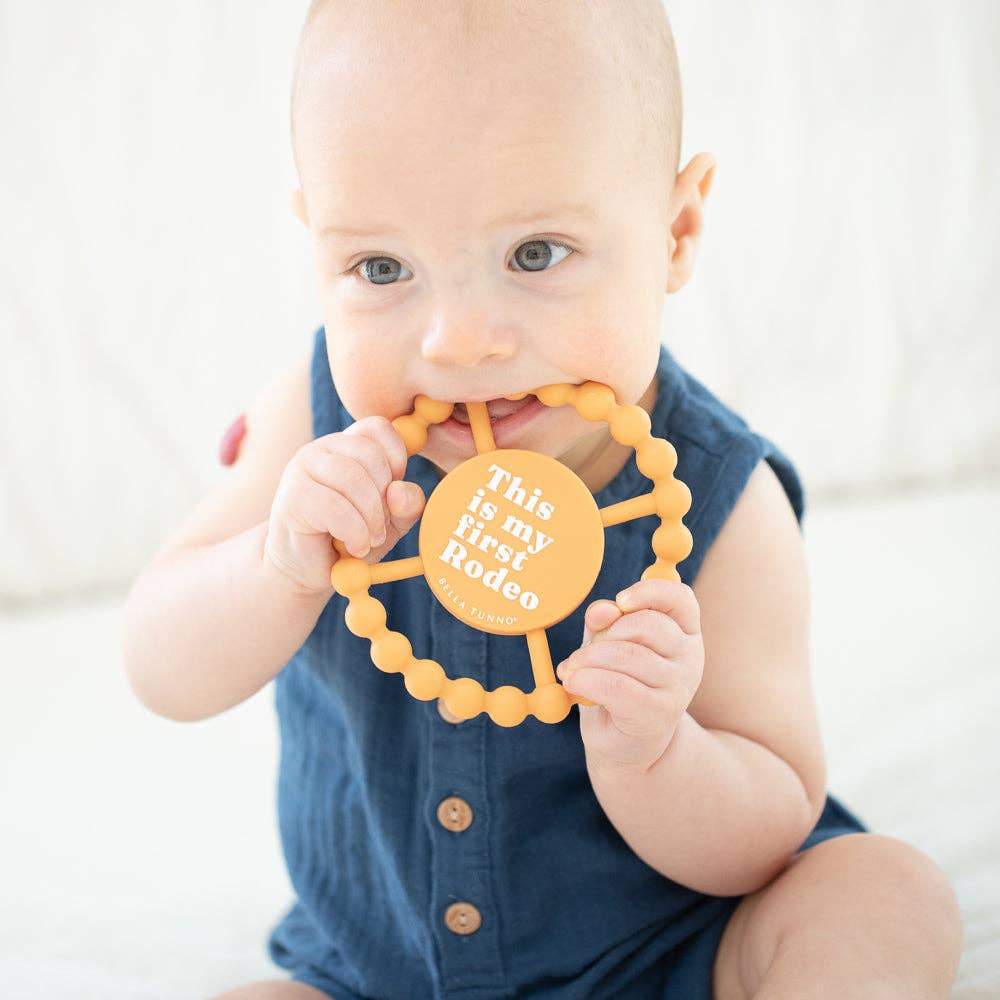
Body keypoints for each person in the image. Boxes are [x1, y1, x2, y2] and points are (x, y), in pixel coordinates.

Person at [122, 2, 963, 997]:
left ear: (676, 231)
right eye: (381, 268)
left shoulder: (719, 503)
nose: (458, 339)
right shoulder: (315, 433)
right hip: (380, 966)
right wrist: (275, 565)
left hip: (665, 950)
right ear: (318, 247)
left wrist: (659, 755)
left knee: (882, 896)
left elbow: (767, 822)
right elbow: (159, 667)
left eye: (535, 254)